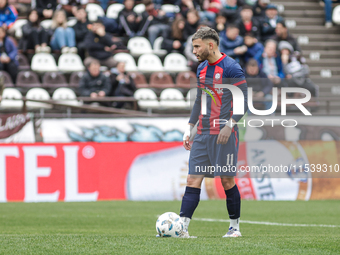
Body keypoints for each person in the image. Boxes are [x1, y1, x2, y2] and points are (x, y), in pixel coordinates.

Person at [179, 27, 248, 238]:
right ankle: (182, 228)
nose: (194, 51)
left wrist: (230, 125)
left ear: (211, 45)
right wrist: (189, 128)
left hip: (223, 134)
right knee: (192, 179)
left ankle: (234, 228)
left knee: (227, 180)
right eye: (193, 47)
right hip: (202, 133)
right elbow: (200, 100)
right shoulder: (201, 69)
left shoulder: (231, 68)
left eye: (197, 46)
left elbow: (243, 102)